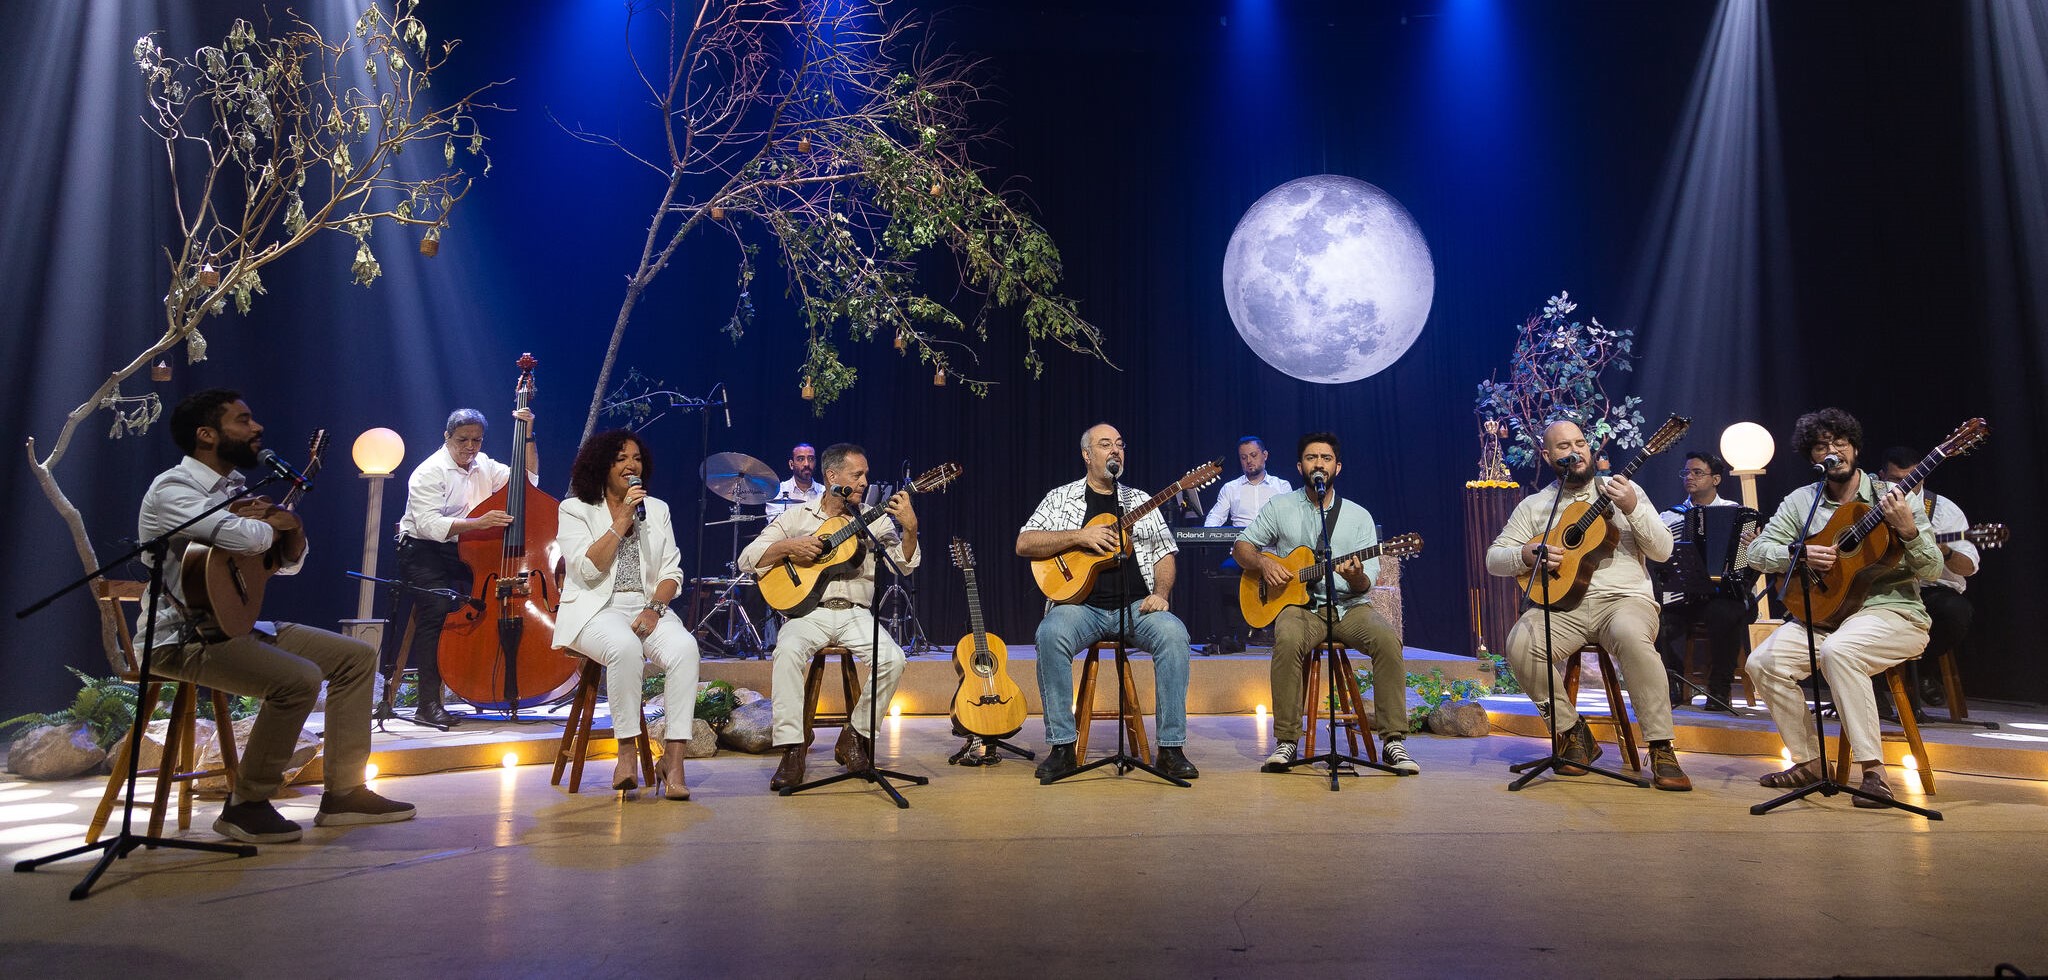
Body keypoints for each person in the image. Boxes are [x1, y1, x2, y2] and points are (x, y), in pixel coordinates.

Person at [137, 389, 414, 844]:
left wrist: (293, 528)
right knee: (299, 679)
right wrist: (271, 526)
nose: (257, 428)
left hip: (231, 628)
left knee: (357, 657)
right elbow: (242, 538)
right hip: (181, 640)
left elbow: (285, 565)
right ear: (207, 435)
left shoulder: (236, 490)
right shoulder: (174, 490)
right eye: (243, 420)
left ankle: (344, 793)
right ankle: (246, 805)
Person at [1745, 409, 1943, 806]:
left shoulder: (1896, 496)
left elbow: (1933, 569)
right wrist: (1797, 554)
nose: (1834, 451)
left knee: (1842, 652)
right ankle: (1810, 762)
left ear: (1854, 447)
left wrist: (1907, 529)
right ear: (1813, 456)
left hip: (1893, 612)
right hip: (1827, 615)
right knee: (1762, 663)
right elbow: (1755, 552)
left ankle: (1874, 773)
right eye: (1822, 446)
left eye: (1841, 443)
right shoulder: (1803, 500)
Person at [1484, 420, 1693, 791]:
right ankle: (1572, 731)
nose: (1575, 451)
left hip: (1624, 600)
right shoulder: (1536, 506)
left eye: (1580, 442)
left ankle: (1661, 746)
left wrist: (1632, 507)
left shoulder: (1623, 490)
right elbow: (1493, 559)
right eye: (1564, 446)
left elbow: (1662, 551)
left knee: (1631, 636)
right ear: (1548, 456)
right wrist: (1525, 554)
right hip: (1564, 607)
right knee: (1520, 643)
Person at [1016, 424, 1197, 782]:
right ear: (1087, 455)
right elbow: (1024, 542)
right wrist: (1080, 535)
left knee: (1174, 633)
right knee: (1050, 634)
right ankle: (1063, 747)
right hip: (1079, 609)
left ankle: (1171, 750)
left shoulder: (1141, 501)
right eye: (1105, 444)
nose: (1115, 450)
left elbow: (1165, 556)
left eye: (1119, 444)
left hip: (1136, 607)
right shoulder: (1060, 498)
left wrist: (1160, 594)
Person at [739, 443, 919, 790]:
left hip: (855, 614)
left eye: (866, 474)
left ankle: (854, 735)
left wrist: (909, 529)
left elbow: (903, 566)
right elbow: (749, 558)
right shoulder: (797, 517)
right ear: (833, 477)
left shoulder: (874, 518)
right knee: (787, 651)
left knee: (894, 659)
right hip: (809, 613)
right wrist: (789, 547)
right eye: (858, 474)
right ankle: (793, 749)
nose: (865, 481)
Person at [1234, 433, 1415, 774]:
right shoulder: (1280, 507)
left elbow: (1367, 582)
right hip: (1302, 611)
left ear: (1338, 467)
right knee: (1286, 639)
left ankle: (1393, 741)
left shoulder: (1359, 516)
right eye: (1312, 457)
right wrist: (1264, 563)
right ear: (1300, 465)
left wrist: (1356, 575)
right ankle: (1287, 741)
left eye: (1326, 458)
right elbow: (1242, 547)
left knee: (1387, 640)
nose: (1319, 463)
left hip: (1350, 606)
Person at [554, 430, 699, 800]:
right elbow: (588, 571)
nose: (630, 465)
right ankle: (626, 754)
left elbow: (672, 573)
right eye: (620, 459)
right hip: (596, 608)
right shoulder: (575, 509)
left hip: (648, 606)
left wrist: (654, 609)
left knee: (685, 649)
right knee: (624, 648)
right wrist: (621, 520)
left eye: (635, 458)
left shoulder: (659, 510)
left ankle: (675, 761)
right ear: (602, 466)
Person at [385, 406, 539, 727]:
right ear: (447, 437)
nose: (470, 447)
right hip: (422, 549)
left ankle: (487, 686)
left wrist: (528, 435)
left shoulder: (483, 464)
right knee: (436, 609)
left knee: (495, 599)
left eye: (476, 440)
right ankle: (427, 704)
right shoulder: (429, 472)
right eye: (463, 440)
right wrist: (479, 523)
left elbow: (527, 482)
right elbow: (428, 525)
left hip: (463, 548)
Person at [1879, 446, 1978, 710]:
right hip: (1885, 588)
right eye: (1896, 480)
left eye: (1913, 478)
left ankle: (1923, 669)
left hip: (1929, 590)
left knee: (1955, 610)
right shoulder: (1869, 504)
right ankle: (1875, 695)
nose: (1905, 485)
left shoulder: (1944, 510)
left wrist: (1943, 550)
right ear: (1880, 477)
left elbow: (1967, 567)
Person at [1654, 451, 1752, 711]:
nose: (1689, 477)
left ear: (1716, 479)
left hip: (1724, 594)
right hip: (1684, 595)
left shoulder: (1737, 513)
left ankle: (1719, 689)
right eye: (1686, 472)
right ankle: (1673, 681)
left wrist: (1750, 549)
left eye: (1697, 472)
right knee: (1653, 619)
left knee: (1725, 613)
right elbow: (1659, 555)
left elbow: (1749, 561)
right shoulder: (1671, 517)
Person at [1204, 436, 1292, 527]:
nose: (1249, 461)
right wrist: (1206, 536)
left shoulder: (1282, 486)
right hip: (1240, 539)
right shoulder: (1230, 488)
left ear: (1265, 455)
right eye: (1243, 457)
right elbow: (1216, 517)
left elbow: (1290, 519)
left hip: (1273, 539)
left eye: (1253, 455)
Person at [762, 443, 824, 517]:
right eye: (801, 459)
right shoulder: (778, 491)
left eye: (811, 459)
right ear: (791, 464)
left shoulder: (824, 492)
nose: (807, 464)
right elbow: (775, 523)